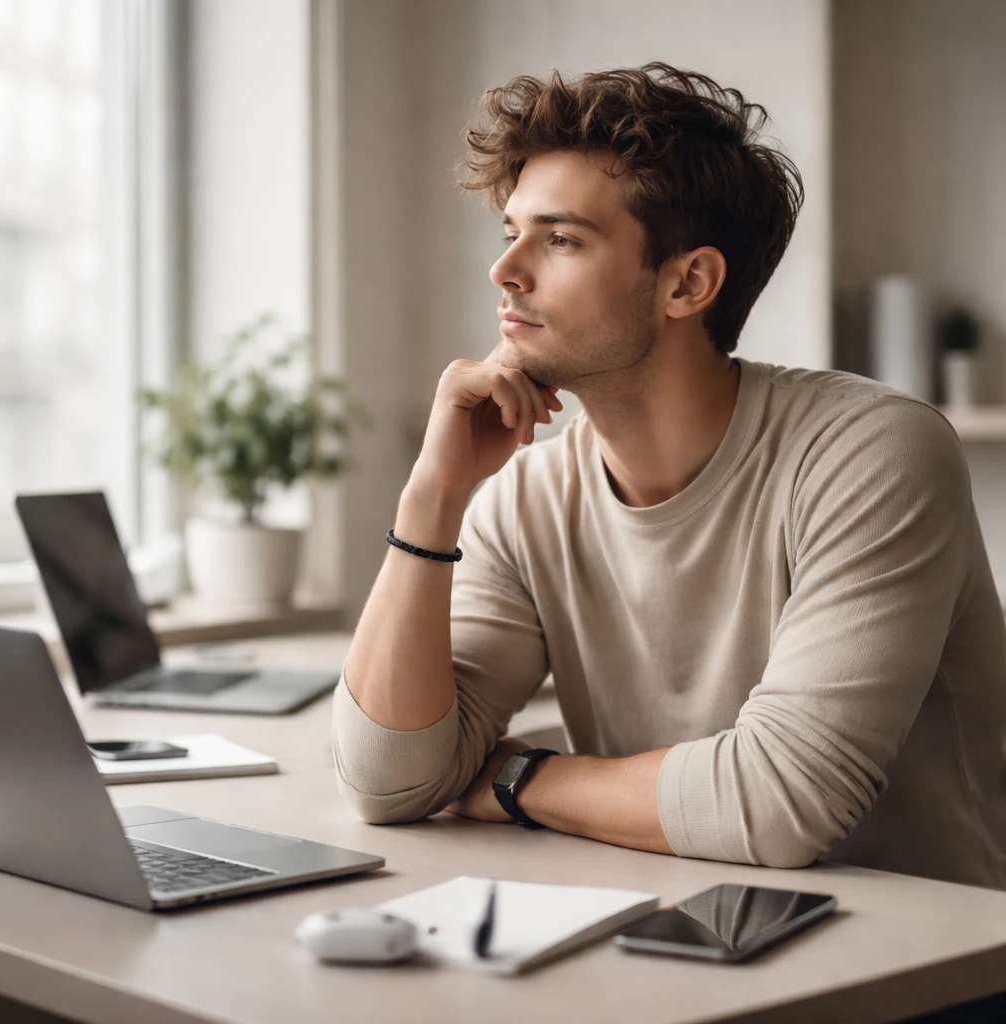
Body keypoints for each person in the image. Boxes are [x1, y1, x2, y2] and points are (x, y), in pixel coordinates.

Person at [332, 63, 1006, 892]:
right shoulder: (522, 496)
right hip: (678, 934)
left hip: (928, 974)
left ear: (688, 283)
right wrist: (430, 499)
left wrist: (516, 778)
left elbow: (779, 801)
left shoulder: (872, 454)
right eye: (510, 231)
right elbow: (387, 781)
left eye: (561, 238)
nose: (505, 270)